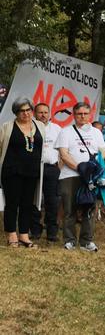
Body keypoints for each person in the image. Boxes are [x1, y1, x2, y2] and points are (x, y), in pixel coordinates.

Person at [55, 102, 105, 252]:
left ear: (89, 114)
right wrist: (79, 168)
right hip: (70, 175)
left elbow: (103, 152)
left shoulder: (96, 133)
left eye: (85, 113)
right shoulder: (66, 131)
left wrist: (92, 167)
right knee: (69, 208)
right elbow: (64, 154)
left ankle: (86, 241)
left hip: (91, 177)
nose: (82, 116)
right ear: (74, 115)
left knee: (89, 208)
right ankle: (69, 240)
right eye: (79, 114)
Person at [0, 98, 44, 248]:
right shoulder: (7, 127)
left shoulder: (40, 126)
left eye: (28, 110)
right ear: (16, 112)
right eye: (22, 110)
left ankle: (24, 235)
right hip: (12, 171)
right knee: (12, 203)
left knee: (27, 204)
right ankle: (11, 234)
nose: (25, 113)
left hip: (32, 171)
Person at [30, 102, 62, 242]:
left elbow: (63, 149)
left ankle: (52, 233)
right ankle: (35, 231)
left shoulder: (57, 129)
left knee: (52, 201)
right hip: (34, 169)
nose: (43, 115)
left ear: (49, 114)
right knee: (34, 200)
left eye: (45, 112)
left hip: (52, 169)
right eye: (40, 112)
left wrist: (59, 166)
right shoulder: (29, 128)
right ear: (34, 114)